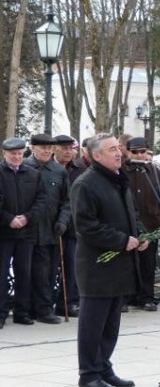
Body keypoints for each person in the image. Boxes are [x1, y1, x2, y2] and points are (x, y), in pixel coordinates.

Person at [70, 133, 147, 387]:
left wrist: (140, 234)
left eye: (119, 148)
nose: (119, 153)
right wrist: (122, 240)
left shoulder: (118, 180)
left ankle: (103, 368)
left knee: (111, 323)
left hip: (119, 264)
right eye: (112, 149)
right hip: (97, 266)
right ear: (96, 156)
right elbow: (86, 226)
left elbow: (131, 215)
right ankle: (88, 375)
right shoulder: (85, 184)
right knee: (93, 324)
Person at [0, 137, 47, 328]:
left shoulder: (33, 174)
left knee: (24, 273)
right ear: (4, 154)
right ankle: (1, 313)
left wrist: (26, 218)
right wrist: (9, 219)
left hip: (26, 232)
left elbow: (41, 200)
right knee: (2, 274)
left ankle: (22, 312)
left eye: (20, 154)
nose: (17, 157)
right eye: (13, 154)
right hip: (3, 233)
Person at [122, 137, 160, 312]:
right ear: (127, 152)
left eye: (142, 151)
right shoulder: (121, 170)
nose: (139, 155)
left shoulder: (153, 171)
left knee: (148, 263)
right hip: (127, 223)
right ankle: (125, 297)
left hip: (150, 222)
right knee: (126, 262)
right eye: (135, 152)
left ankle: (146, 297)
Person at [24, 133, 70, 325]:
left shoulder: (59, 171)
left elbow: (67, 201)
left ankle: (44, 309)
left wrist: (63, 221)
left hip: (51, 230)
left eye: (49, 148)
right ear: (32, 148)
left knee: (47, 272)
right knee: (25, 271)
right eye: (42, 147)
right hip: (24, 231)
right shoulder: (23, 167)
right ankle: (24, 309)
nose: (46, 151)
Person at [54, 134, 85, 317]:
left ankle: (69, 301)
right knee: (49, 267)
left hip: (73, 226)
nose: (68, 152)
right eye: (64, 148)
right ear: (55, 149)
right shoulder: (48, 168)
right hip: (52, 224)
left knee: (72, 266)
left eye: (71, 149)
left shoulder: (79, 170)